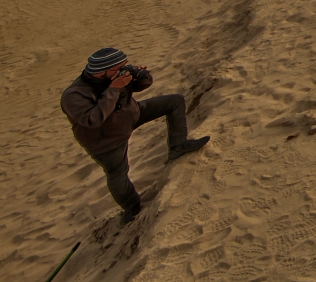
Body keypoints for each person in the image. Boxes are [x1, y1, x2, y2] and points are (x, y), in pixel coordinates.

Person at [61, 48, 210, 225]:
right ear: (102, 71)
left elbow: (140, 87)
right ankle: (131, 207)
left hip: (131, 115)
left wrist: (141, 77)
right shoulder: (74, 95)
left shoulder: (114, 76)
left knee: (175, 101)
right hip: (106, 138)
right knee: (117, 174)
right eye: (119, 68)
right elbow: (93, 119)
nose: (124, 70)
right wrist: (113, 89)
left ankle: (178, 146)